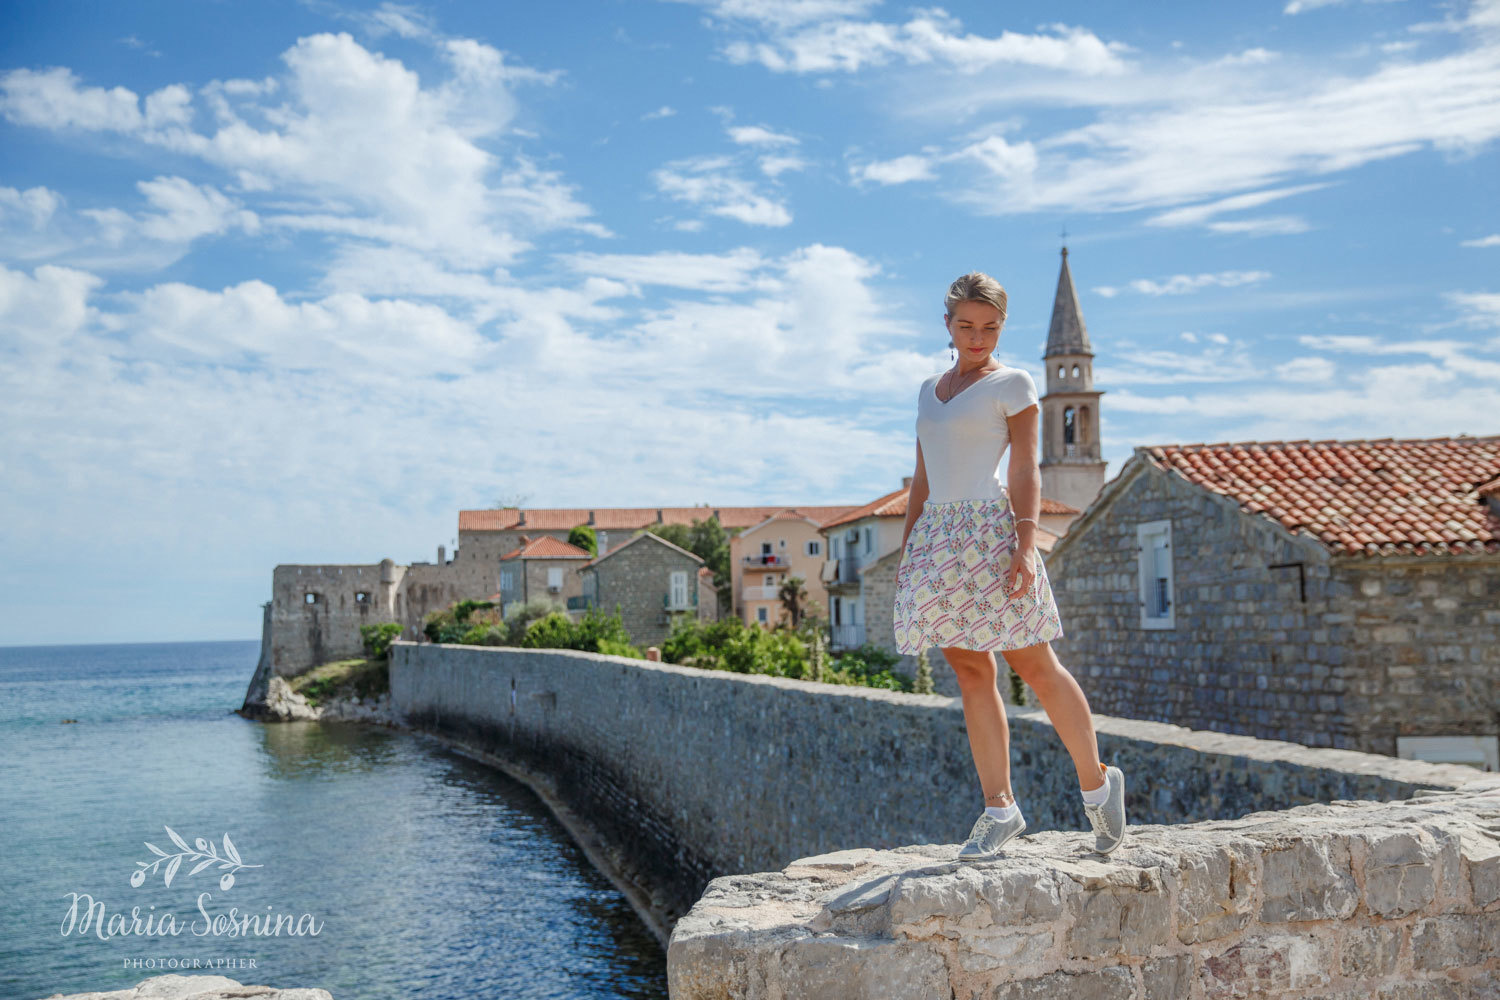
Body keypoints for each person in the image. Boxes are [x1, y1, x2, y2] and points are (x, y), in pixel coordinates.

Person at [893, 270, 1127, 859]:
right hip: (939, 539)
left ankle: (1098, 788)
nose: (978, 337)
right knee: (971, 673)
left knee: (1036, 664)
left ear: (1001, 327)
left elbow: (1026, 468)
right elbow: (923, 474)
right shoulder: (928, 391)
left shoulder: (1014, 385)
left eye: (990, 327)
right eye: (967, 326)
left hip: (990, 533)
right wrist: (909, 548)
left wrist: (1025, 542)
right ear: (947, 323)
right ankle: (1000, 809)